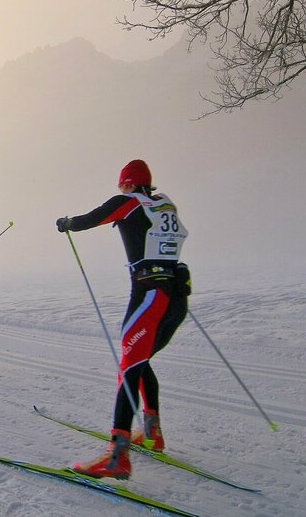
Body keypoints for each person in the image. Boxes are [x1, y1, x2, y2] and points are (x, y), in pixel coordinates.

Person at [57, 159, 190, 480]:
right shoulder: (165, 203)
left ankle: (118, 455)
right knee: (140, 361)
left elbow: (92, 218)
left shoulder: (128, 202)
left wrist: (66, 222)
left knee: (129, 366)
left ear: (128, 183)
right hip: (177, 296)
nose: (120, 189)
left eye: (121, 184)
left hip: (149, 297)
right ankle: (153, 433)